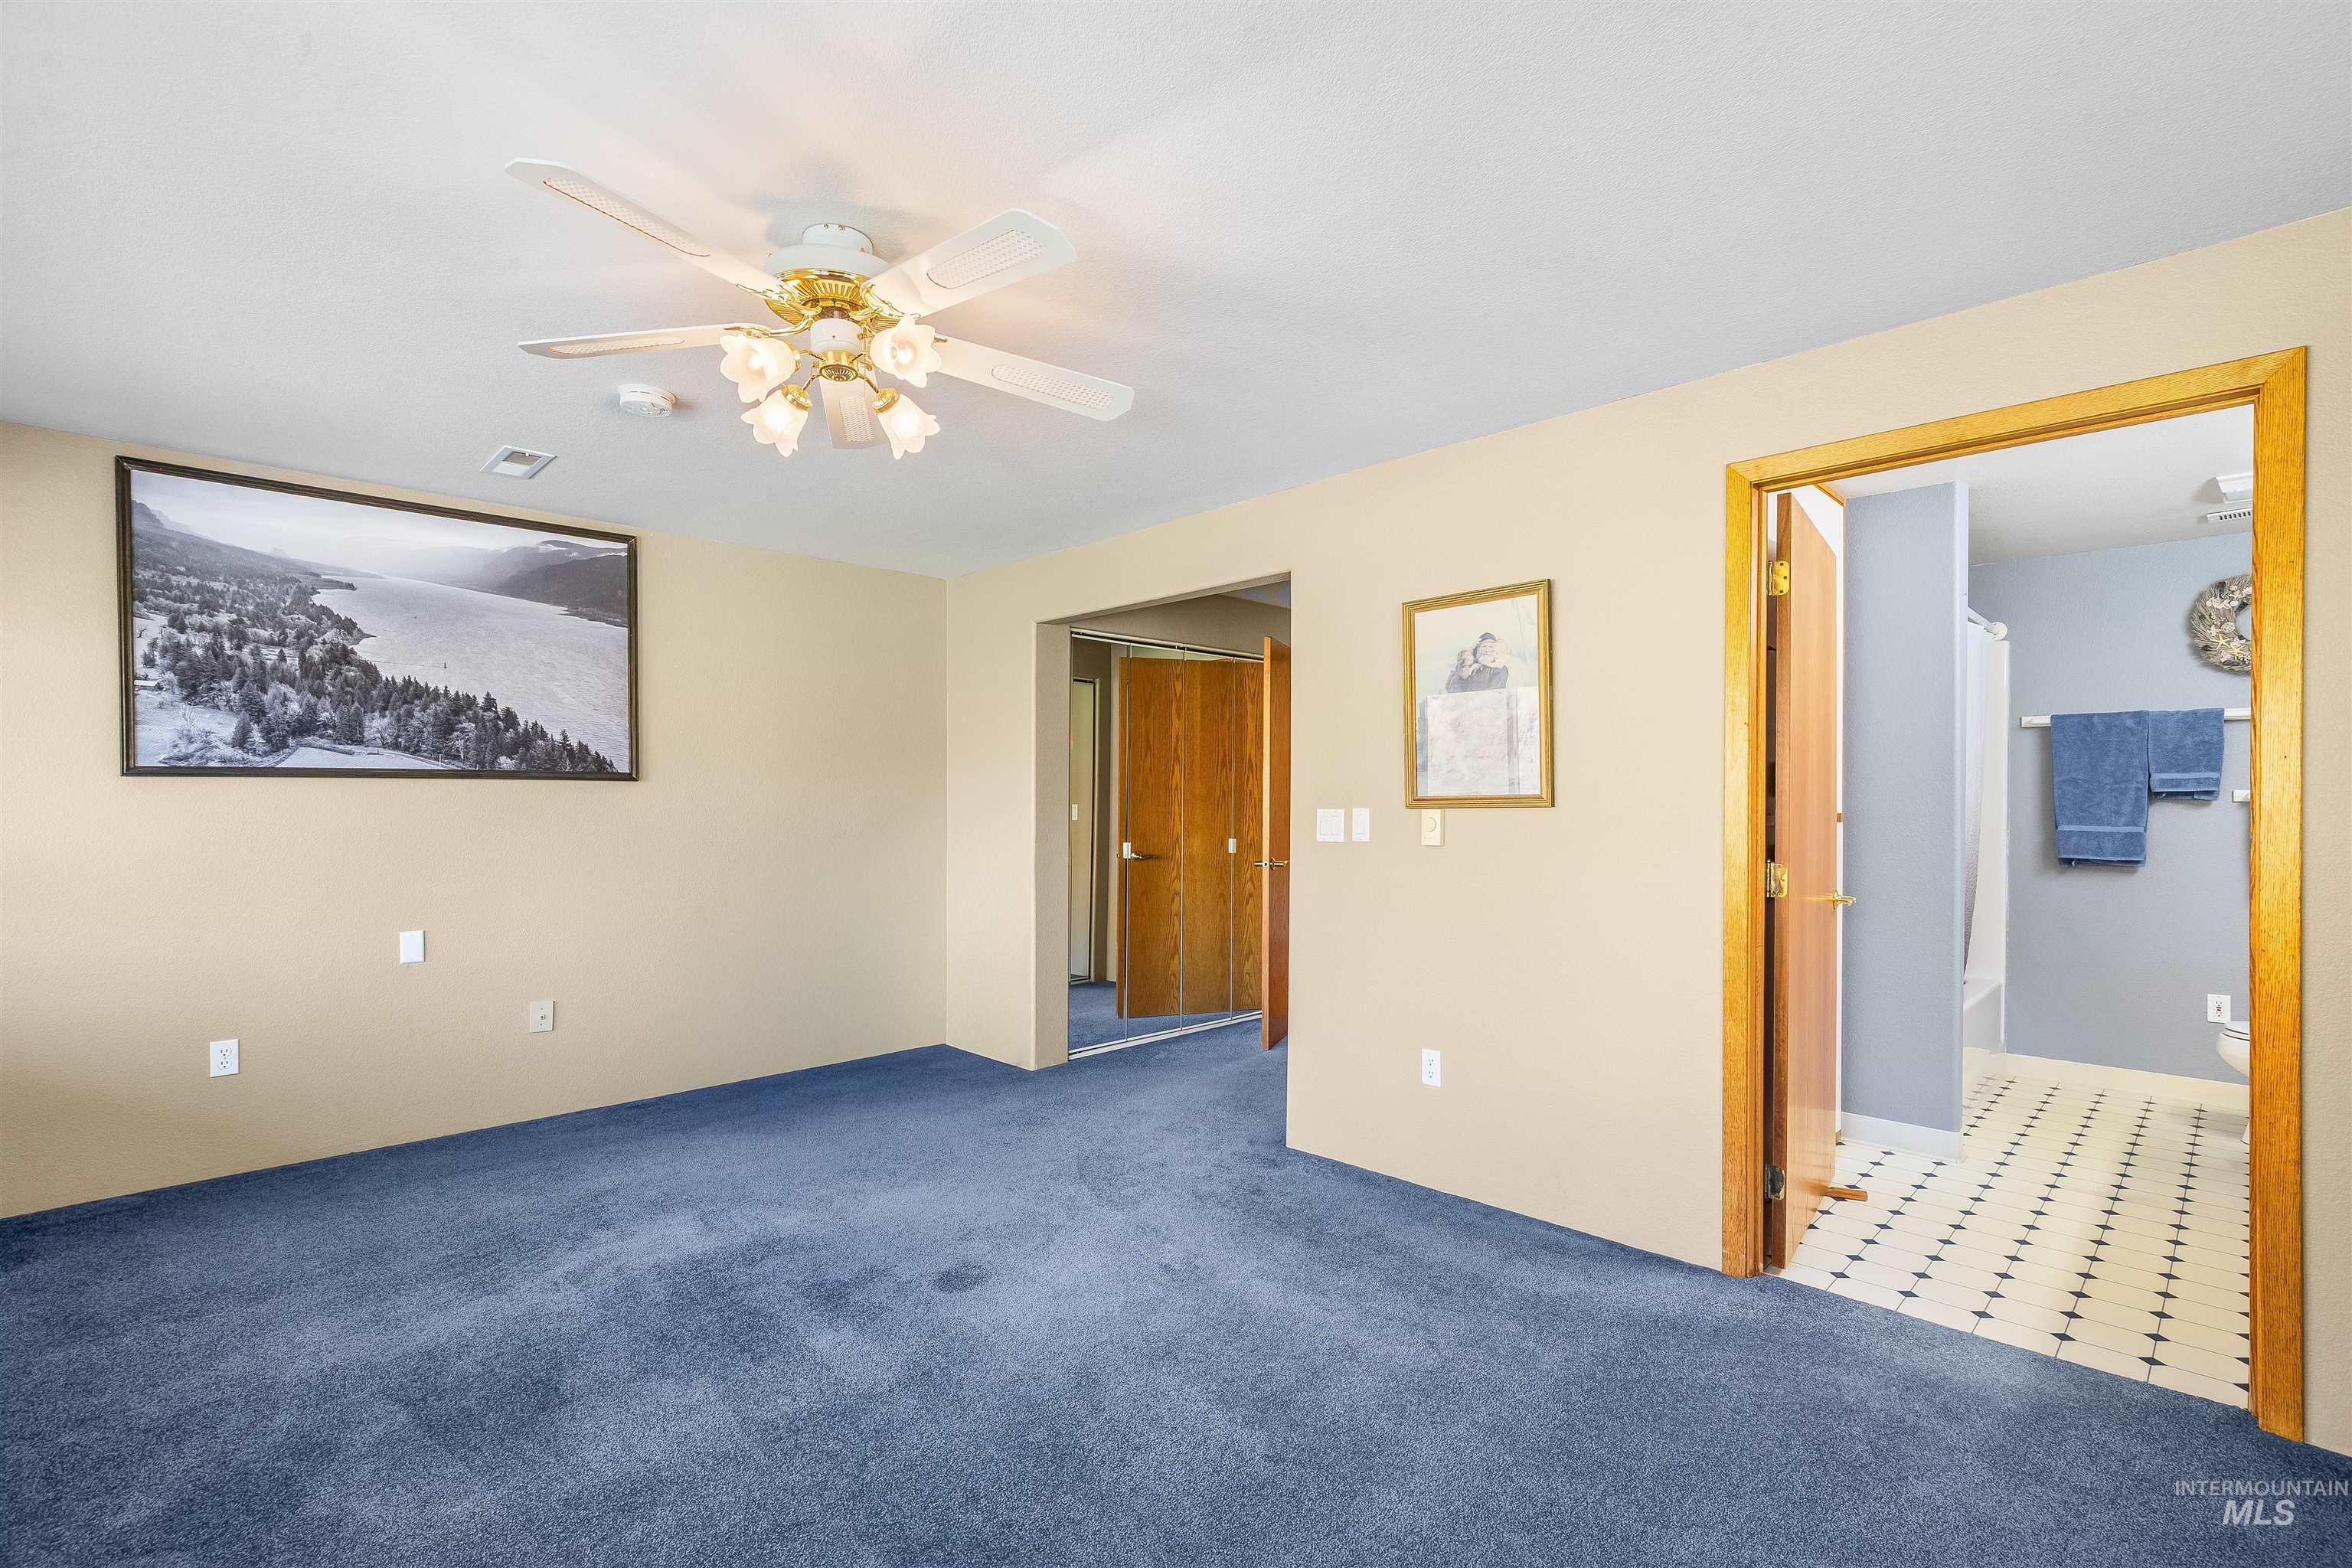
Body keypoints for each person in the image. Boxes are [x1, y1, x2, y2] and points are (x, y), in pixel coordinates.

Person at [1445, 632, 1511, 692]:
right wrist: (1460, 671)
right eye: (1484, 647)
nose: (1487, 650)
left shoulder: (1499, 669)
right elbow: (1452, 690)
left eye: (1491, 647)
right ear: (1477, 650)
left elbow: (1494, 692)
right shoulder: (1469, 668)